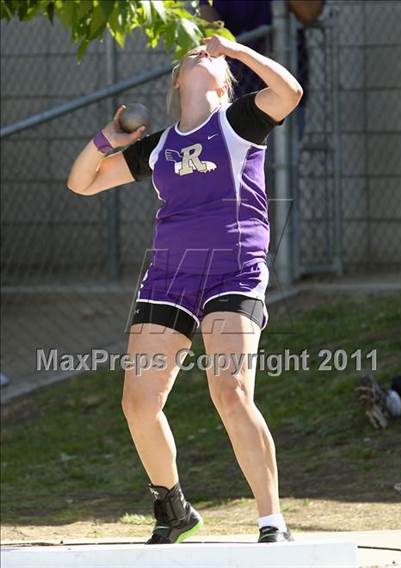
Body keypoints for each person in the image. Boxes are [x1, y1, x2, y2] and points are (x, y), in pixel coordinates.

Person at [67, 35, 303, 544]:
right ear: (178, 80)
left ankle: (271, 520)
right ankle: (174, 510)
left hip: (233, 267)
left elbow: (288, 93)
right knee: (138, 402)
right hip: (171, 274)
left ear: (224, 79)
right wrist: (109, 136)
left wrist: (237, 50)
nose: (200, 52)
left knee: (231, 390)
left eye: (211, 56)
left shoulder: (239, 120)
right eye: (190, 56)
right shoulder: (159, 146)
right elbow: (82, 182)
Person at [199, 0, 324, 137]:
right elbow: (208, 23)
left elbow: (310, 12)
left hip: (285, 91)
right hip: (231, 91)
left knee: (281, 154)